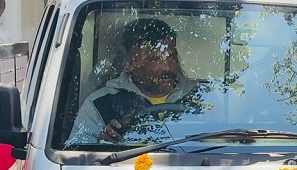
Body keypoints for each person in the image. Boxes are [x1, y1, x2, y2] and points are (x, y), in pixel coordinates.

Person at [69, 18, 205, 144]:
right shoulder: (100, 104)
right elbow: (77, 158)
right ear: (130, 62)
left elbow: (222, 147)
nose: (167, 67)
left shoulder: (203, 98)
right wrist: (102, 144)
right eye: (155, 59)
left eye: (171, 57)